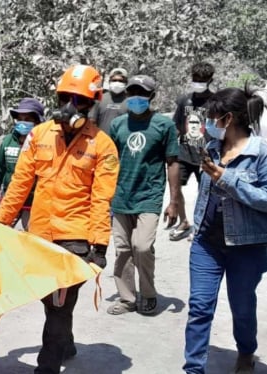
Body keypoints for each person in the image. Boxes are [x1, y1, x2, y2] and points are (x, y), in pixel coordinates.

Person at [0, 65, 119, 374]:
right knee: (50, 301)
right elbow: (19, 185)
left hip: (75, 238)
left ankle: (47, 366)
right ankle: (67, 342)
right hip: (40, 233)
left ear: (92, 104)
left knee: (59, 304)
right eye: (66, 97)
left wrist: (99, 246)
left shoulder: (102, 145)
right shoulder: (38, 135)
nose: (71, 106)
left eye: (80, 101)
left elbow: (102, 198)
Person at [183, 87, 267, 374]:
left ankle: (246, 352)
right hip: (207, 243)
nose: (208, 123)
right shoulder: (212, 148)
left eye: (212, 117)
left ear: (228, 118)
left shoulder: (261, 153)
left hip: (247, 246)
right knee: (199, 307)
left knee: (242, 307)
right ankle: (193, 369)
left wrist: (226, 178)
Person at [106, 74, 181, 315]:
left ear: (151, 97)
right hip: (120, 196)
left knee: (141, 246)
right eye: (132, 92)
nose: (136, 97)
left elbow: (172, 162)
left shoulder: (163, 125)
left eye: (142, 93)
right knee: (123, 250)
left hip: (149, 195)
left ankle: (148, 293)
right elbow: (109, 161)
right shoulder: (117, 125)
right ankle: (127, 298)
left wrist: (175, 200)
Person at [0, 97, 45, 229]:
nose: (23, 122)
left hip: (33, 201)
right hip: (9, 198)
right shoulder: (8, 141)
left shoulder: (43, 144)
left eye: (28, 120)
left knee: (32, 236)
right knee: (1, 231)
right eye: (20, 119)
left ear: (37, 121)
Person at [170, 62, 215, 241]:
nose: (198, 83)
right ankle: (184, 221)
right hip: (183, 153)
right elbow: (176, 125)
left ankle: (200, 225)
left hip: (206, 155)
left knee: (205, 192)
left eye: (202, 80)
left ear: (210, 80)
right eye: (195, 79)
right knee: (175, 187)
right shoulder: (184, 100)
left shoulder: (215, 101)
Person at [95, 67, 129, 134]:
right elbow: (92, 121)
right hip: (101, 142)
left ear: (126, 82)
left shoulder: (130, 101)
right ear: (109, 81)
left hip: (120, 142)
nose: (117, 83)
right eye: (114, 80)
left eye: (121, 81)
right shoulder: (100, 98)